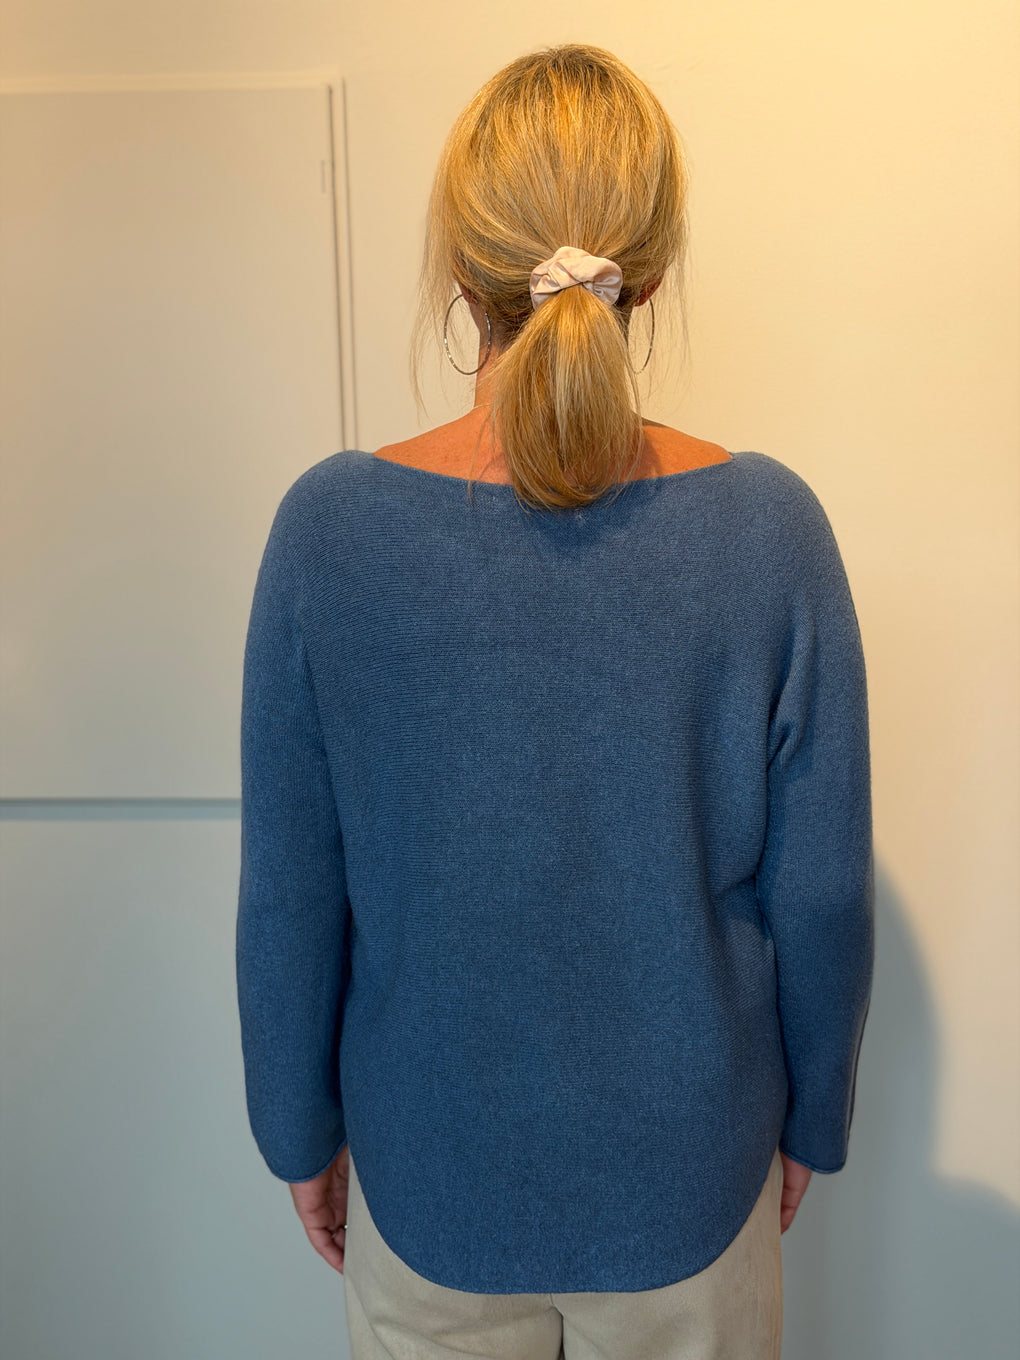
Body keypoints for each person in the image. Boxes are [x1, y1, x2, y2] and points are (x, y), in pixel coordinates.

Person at [236, 42, 874, 1360]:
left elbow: (293, 886)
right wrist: (814, 1118)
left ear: (458, 270)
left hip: (430, 1172)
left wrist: (297, 1131)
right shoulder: (771, 531)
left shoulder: (329, 534)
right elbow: (819, 892)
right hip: (692, 1180)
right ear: (650, 273)